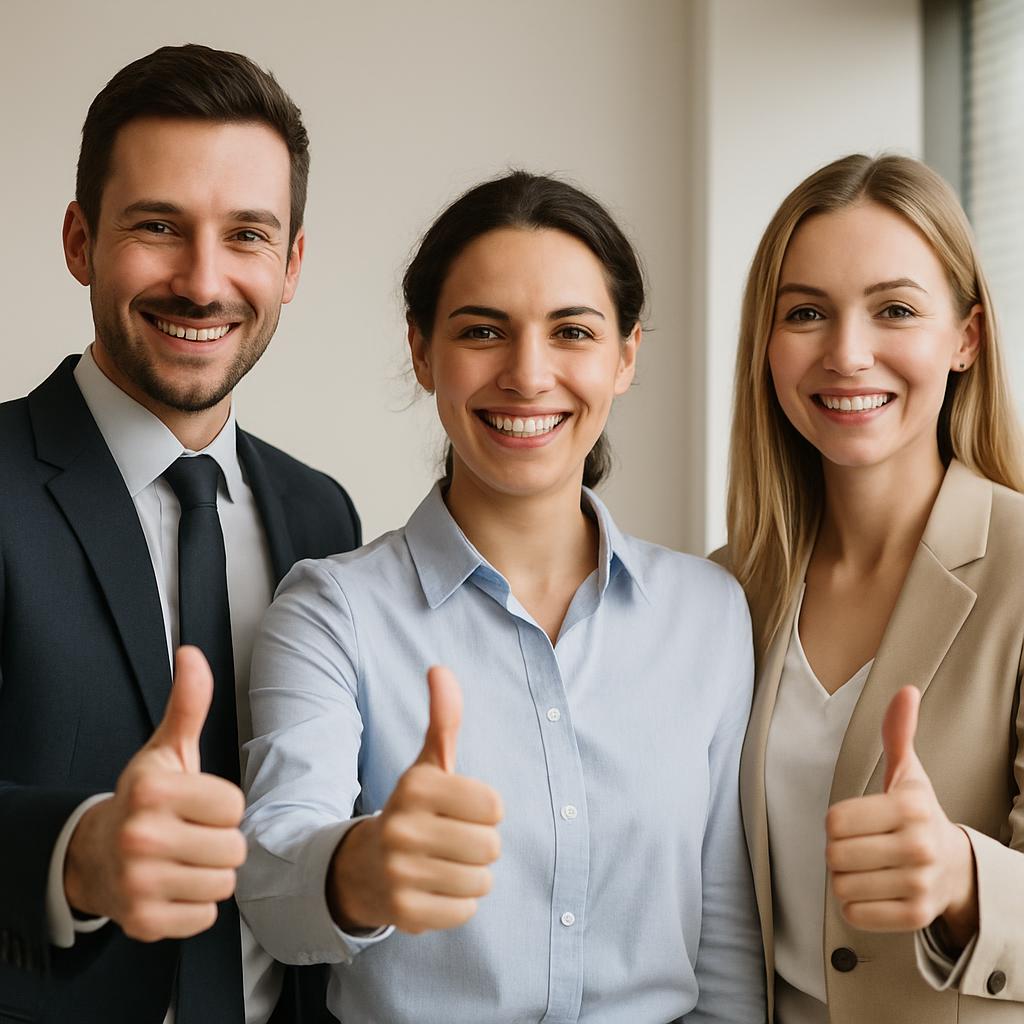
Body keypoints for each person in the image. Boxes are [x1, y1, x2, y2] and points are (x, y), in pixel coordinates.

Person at [238, 171, 766, 1023]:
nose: (527, 374)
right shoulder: (330, 611)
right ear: (422, 351)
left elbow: (727, 953)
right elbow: (273, 883)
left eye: (572, 332)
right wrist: (368, 864)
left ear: (626, 356)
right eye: (483, 331)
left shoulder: (710, 613)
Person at [0, 44, 359, 1024]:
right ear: (80, 240)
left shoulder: (323, 517)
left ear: (290, 265)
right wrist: (78, 849)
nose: (203, 283)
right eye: (159, 227)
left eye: (246, 235)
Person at [717, 153, 1024, 1023]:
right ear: (767, 346)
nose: (847, 354)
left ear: (966, 338)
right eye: (807, 313)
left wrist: (965, 876)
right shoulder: (724, 591)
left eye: (894, 310)